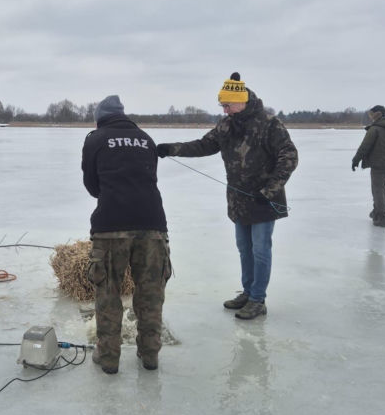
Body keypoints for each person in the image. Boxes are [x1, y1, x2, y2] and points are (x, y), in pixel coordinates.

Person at [156, 72, 298, 320]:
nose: (224, 110)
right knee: (244, 248)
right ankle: (248, 291)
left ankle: (257, 300)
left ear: (241, 101)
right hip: (238, 200)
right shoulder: (226, 125)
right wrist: (172, 149)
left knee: (261, 250)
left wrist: (271, 190)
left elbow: (289, 156)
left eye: (227, 105)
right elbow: (204, 145)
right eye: (222, 106)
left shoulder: (269, 123)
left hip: (263, 199)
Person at [82, 95, 171, 374]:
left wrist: (111, 197)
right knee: (150, 294)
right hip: (153, 225)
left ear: (100, 117)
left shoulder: (95, 139)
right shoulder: (146, 138)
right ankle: (150, 355)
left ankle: (108, 358)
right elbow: (150, 177)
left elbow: (91, 182)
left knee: (108, 293)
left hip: (110, 226)